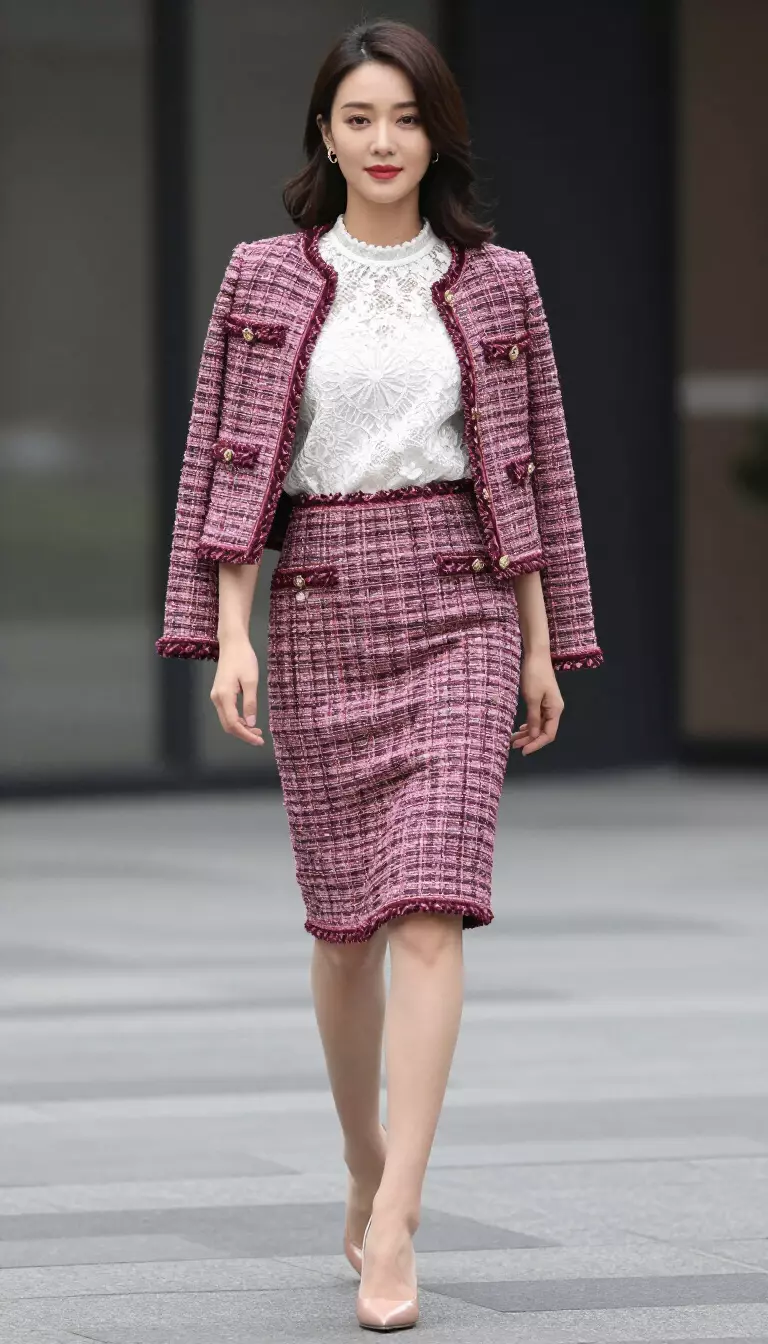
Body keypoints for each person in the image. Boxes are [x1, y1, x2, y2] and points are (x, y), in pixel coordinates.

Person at [156, 18, 603, 1332]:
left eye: (405, 117)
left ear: (436, 131)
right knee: (346, 932)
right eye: (359, 117)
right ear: (325, 133)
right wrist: (230, 633)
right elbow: (228, 464)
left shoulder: (500, 282)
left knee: (431, 912)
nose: (385, 142)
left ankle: (400, 1209)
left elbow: (536, 466)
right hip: (323, 601)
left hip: (462, 594)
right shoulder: (262, 279)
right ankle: (359, 1160)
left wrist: (535, 640)